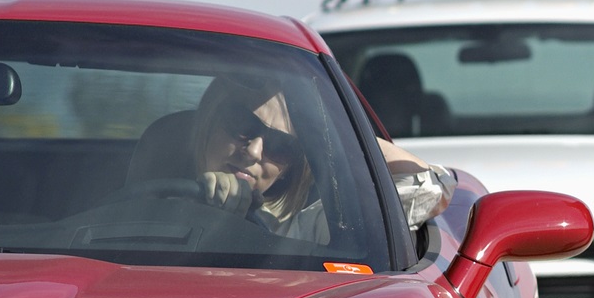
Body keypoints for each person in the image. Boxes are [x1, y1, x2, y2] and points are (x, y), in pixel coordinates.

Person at [190, 74, 454, 237]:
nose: (254, 151)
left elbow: (426, 188)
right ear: (209, 116)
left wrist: (331, 132)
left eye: (281, 145)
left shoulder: (295, 239)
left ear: (290, 168)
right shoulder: (146, 195)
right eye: (242, 124)